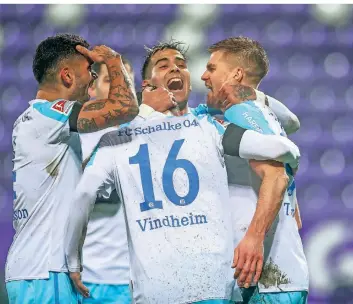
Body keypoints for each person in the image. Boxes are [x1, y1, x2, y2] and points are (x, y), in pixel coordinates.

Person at [67, 40, 300, 303]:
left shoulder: (119, 139)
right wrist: (291, 165)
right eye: (163, 65)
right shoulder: (210, 128)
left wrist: (73, 260)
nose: (176, 69)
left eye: (181, 65)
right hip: (210, 287)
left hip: (154, 290)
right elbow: (282, 144)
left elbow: (83, 193)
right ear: (146, 85)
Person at [5, 33, 138, 304]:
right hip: (44, 271)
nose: (91, 78)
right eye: (88, 70)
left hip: (43, 269)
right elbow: (125, 107)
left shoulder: (37, 120)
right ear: (67, 76)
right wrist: (113, 60)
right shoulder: (52, 115)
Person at [201, 36, 309, 303]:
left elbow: (276, 175)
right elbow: (292, 124)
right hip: (276, 275)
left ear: (236, 74)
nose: (204, 76)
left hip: (266, 278)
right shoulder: (264, 112)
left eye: (212, 68)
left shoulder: (240, 113)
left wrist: (253, 238)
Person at [79, 57, 177, 304]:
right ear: (91, 88)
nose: (119, 89)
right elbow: (84, 190)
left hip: (139, 279)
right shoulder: (77, 138)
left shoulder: (150, 130)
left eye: (125, 82)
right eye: (111, 80)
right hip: (89, 276)